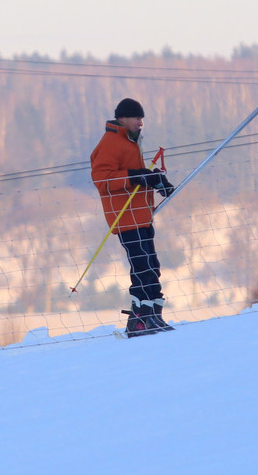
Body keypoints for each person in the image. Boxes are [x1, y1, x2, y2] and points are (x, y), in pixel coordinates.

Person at [90, 98, 176, 337]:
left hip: (141, 216)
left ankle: (152, 317)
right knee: (142, 268)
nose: (141, 122)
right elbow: (102, 180)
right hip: (126, 218)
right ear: (123, 118)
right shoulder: (110, 143)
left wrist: (153, 179)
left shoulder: (130, 142)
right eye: (137, 118)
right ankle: (139, 320)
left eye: (142, 119)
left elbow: (134, 178)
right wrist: (137, 176)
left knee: (150, 267)